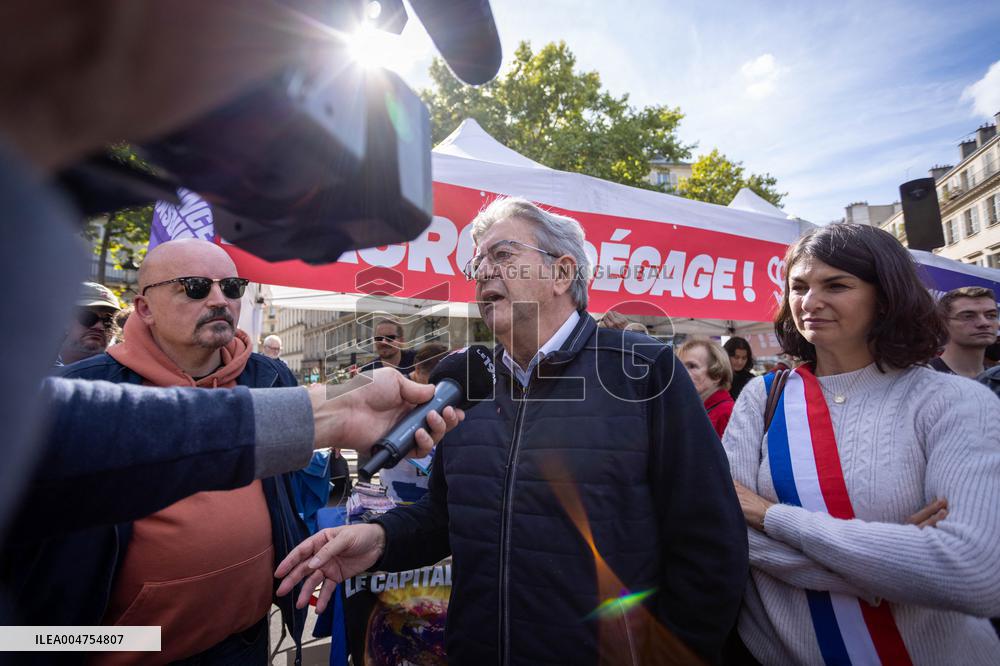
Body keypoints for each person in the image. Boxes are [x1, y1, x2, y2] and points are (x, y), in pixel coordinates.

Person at [275, 196, 747, 664]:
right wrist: (380, 538)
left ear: (562, 273)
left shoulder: (643, 371)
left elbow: (710, 545)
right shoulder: (465, 382)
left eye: (501, 255)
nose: (482, 272)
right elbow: (446, 516)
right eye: (476, 262)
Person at [723, 222, 1000, 664]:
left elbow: (974, 575)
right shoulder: (762, 397)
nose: (809, 302)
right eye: (798, 287)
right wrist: (891, 562)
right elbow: (728, 531)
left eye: (836, 285)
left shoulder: (954, 401)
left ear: (886, 296)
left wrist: (772, 515)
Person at [16, 240, 305, 663]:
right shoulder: (80, 390)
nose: (219, 300)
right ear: (145, 308)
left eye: (231, 287)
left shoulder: (270, 377)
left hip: (245, 641)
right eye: (194, 287)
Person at [380, 342, 449, 503]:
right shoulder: (394, 392)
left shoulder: (444, 392)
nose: (433, 389)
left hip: (431, 486)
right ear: (417, 369)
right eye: (430, 381)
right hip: (397, 486)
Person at [931, 286, 999, 378]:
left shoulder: (996, 379)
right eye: (968, 316)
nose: (984, 323)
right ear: (943, 323)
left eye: (991, 315)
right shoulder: (921, 378)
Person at [678, 338, 735, 438]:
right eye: (679, 366)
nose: (681, 372)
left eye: (692, 366)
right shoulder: (698, 408)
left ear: (717, 375)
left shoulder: (726, 413)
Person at [57, 281, 121, 366]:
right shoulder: (40, 364)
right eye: (88, 317)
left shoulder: (124, 371)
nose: (99, 326)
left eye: (108, 320)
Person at [723, 336, 755, 401]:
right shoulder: (718, 377)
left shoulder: (750, 379)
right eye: (736, 357)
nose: (740, 362)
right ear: (726, 356)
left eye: (744, 358)